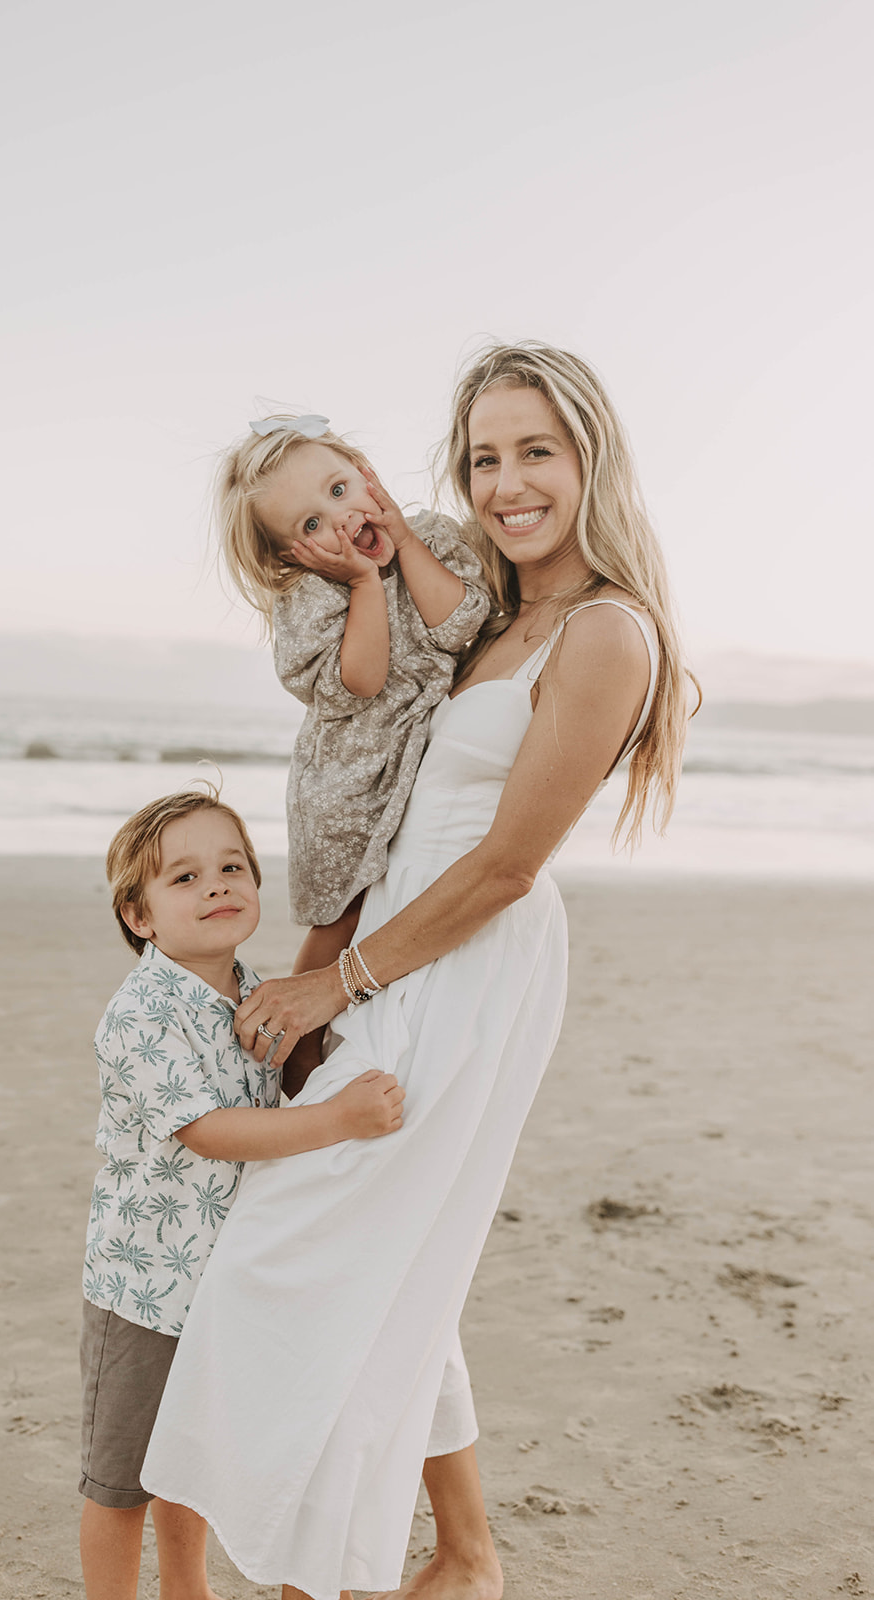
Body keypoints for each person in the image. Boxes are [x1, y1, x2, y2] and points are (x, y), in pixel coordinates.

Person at [140, 343, 693, 1600]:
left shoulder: (605, 632)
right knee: (392, 1250)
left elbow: (503, 864)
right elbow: (380, 779)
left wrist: (339, 987)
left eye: (534, 451)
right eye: (484, 456)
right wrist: (320, 956)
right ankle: (464, 1555)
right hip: (398, 947)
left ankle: (316, 1568)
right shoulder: (497, 613)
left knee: (300, 1252)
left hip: (464, 963)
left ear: (589, 458)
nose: (506, 482)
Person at [78, 788, 404, 1600]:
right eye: (183, 878)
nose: (217, 885)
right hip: (146, 1288)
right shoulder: (142, 1012)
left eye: (231, 867)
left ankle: (186, 1589)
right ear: (139, 916)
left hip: (225, 1280)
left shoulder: (255, 992)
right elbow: (208, 1129)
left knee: (187, 1457)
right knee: (121, 1480)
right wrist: (335, 1120)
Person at [217, 415, 490, 1019]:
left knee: (399, 902)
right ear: (291, 554)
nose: (340, 518)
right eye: (312, 524)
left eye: (341, 489)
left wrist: (405, 543)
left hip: (413, 761)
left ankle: (360, 1019)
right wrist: (364, 582)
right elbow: (360, 682)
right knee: (343, 912)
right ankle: (297, 1029)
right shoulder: (312, 593)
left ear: (366, 472)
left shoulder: (431, 541)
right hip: (345, 780)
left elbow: (459, 623)